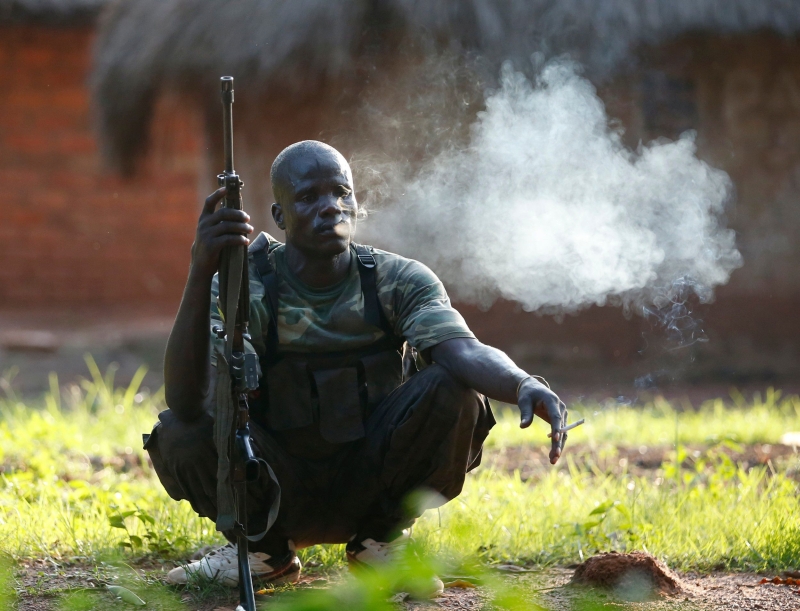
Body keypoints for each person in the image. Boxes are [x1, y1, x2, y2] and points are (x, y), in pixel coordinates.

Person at [144, 140, 567, 595]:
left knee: (456, 389)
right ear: (280, 216)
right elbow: (185, 399)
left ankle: (380, 543)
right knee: (180, 431)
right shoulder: (243, 285)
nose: (330, 207)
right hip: (273, 483)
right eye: (308, 197)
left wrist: (522, 383)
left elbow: (461, 350)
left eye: (341, 193)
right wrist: (200, 270)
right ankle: (263, 552)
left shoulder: (396, 278)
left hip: (373, 478)